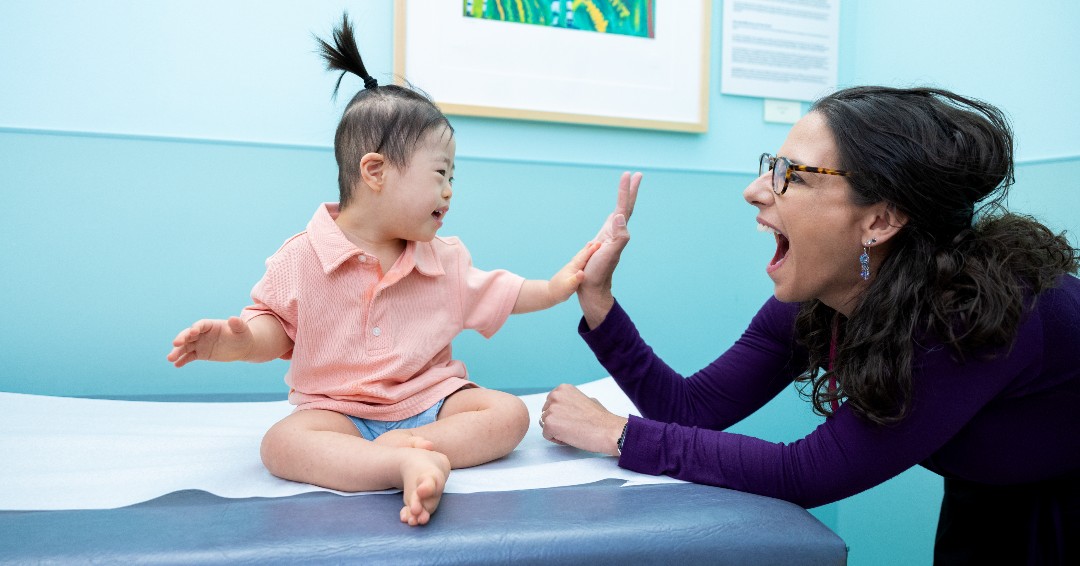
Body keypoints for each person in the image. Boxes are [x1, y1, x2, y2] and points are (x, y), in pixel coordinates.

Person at [539, 86, 1079, 564]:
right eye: (770, 164)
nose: (755, 189)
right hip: (990, 492)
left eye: (788, 175)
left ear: (880, 221)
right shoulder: (825, 295)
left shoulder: (966, 315)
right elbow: (693, 408)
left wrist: (618, 433)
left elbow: (807, 473)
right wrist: (599, 301)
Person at [167, 13, 598, 527]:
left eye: (452, 177)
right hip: (338, 410)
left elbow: (502, 292)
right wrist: (234, 342)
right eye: (440, 173)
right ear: (374, 172)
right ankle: (399, 462)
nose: (449, 190)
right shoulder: (302, 255)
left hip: (431, 402)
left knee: (508, 415)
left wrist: (555, 287)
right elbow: (273, 328)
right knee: (281, 444)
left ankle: (412, 448)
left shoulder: (443, 257)